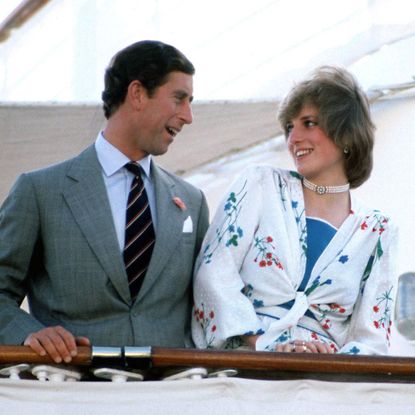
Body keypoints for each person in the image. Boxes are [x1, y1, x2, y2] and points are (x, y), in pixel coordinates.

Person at [0, 40, 209, 363]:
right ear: (137, 93)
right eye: (179, 99)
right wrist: (28, 332)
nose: (189, 116)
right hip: (73, 393)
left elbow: (209, 303)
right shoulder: (39, 191)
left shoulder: (191, 202)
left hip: (170, 395)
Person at [192, 66, 398, 355]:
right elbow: (213, 273)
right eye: (290, 127)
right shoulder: (260, 184)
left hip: (324, 387)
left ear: (346, 134)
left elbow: (373, 338)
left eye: (309, 123)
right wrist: (264, 344)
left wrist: (331, 360)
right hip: (246, 374)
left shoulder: (378, 230)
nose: (293, 139)